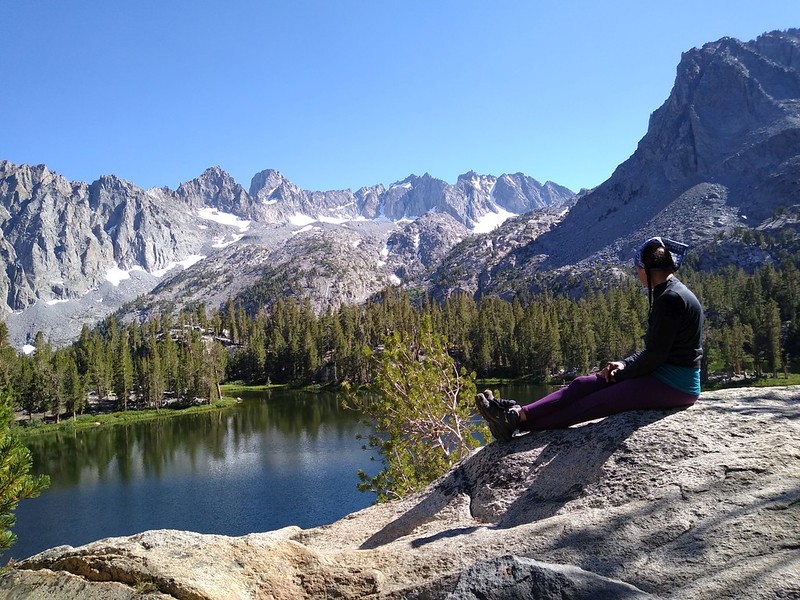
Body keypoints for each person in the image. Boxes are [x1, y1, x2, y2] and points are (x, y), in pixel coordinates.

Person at [476, 236, 704, 442]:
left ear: (649, 269)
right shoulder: (670, 291)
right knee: (582, 384)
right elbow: (653, 351)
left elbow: (655, 356)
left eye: (638, 268)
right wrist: (623, 364)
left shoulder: (670, 299)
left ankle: (515, 424)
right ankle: (517, 413)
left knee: (594, 403)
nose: (636, 273)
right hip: (660, 374)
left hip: (676, 385)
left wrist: (621, 373)